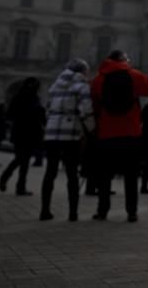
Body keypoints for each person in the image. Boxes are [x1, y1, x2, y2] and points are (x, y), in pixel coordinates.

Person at [89, 50, 148, 222]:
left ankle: (102, 211)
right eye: (127, 59)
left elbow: (94, 105)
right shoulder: (134, 76)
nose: (129, 62)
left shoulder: (97, 81)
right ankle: (131, 212)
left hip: (107, 134)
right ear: (122, 60)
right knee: (131, 175)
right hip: (130, 133)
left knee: (105, 176)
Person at [40, 59, 96, 221]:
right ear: (82, 72)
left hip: (51, 133)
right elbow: (86, 111)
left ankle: (45, 210)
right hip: (70, 133)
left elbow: (48, 108)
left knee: (50, 171)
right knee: (72, 173)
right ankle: (73, 213)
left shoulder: (55, 86)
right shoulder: (82, 86)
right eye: (87, 71)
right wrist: (92, 130)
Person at [0, 78, 45, 196]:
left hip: (28, 133)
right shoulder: (22, 98)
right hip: (23, 132)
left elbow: (40, 116)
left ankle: (20, 186)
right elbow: (10, 114)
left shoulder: (32, 98)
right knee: (21, 158)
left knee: (24, 161)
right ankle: (7, 178)